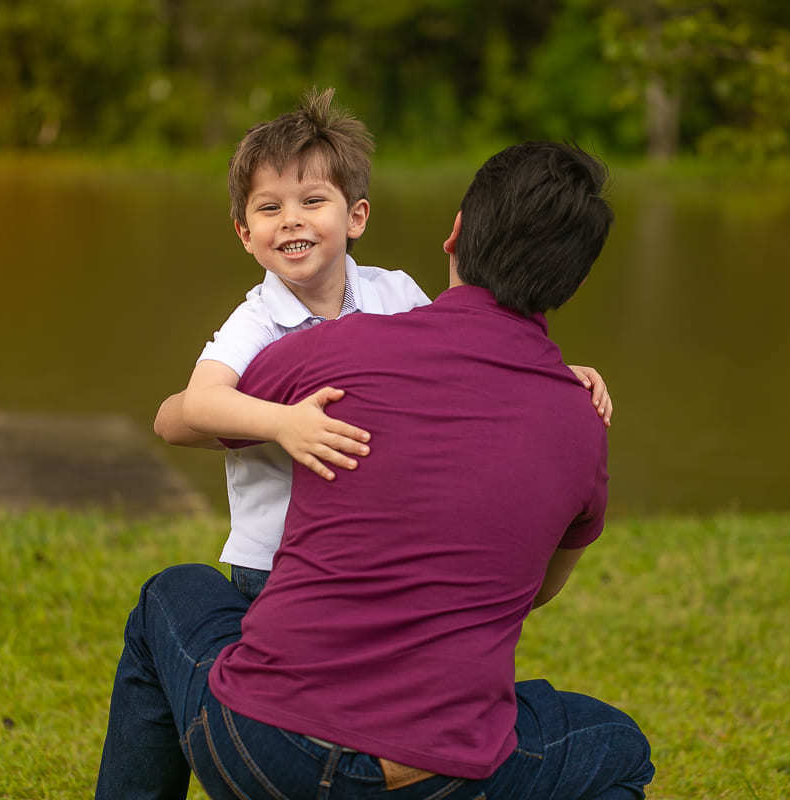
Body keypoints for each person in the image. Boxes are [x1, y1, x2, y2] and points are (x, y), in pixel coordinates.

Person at [96, 142, 653, 800]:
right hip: (441, 775)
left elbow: (180, 415)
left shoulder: (334, 347)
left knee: (171, 594)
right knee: (616, 748)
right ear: (574, 282)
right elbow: (536, 592)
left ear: (454, 234)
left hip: (265, 750)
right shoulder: (583, 420)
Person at [152, 90, 612, 601]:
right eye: (268, 207)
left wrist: (548, 371)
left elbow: (466, 352)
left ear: (356, 218)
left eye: (312, 200)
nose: (290, 219)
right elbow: (198, 403)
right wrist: (283, 423)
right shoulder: (255, 321)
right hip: (274, 556)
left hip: (374, 538)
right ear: (245, 233)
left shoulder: (392, 291)